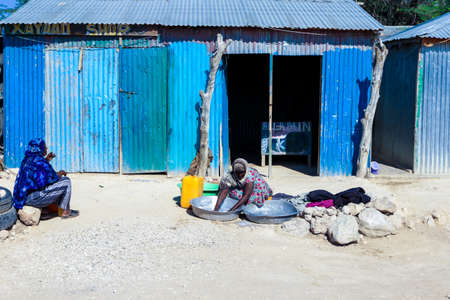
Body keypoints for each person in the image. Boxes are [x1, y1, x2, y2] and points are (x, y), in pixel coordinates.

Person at [12, 138, 79, 219]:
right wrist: (59, 173)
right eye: (44, 146)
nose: (46, 148)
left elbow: (37, 173)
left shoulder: (27, 159)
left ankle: (47, 210)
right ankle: (64, 211)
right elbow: (51, 178)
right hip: (31, 198)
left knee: (53, 186)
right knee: (66, 182)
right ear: (40, 148)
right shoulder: (39, 161)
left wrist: (47, 159)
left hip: (22, 198)